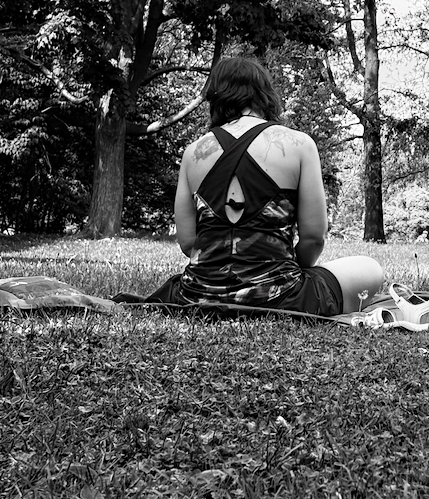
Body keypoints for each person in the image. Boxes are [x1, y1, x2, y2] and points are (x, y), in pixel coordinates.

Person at [160, 56, 384, 316]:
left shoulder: (193, 153)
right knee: (370, 269)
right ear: (263, 95)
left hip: (199, 295)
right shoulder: (299, 145)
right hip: (282, 297)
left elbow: (188, 243)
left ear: (216, 97)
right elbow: (314, 237)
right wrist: (288, 272)